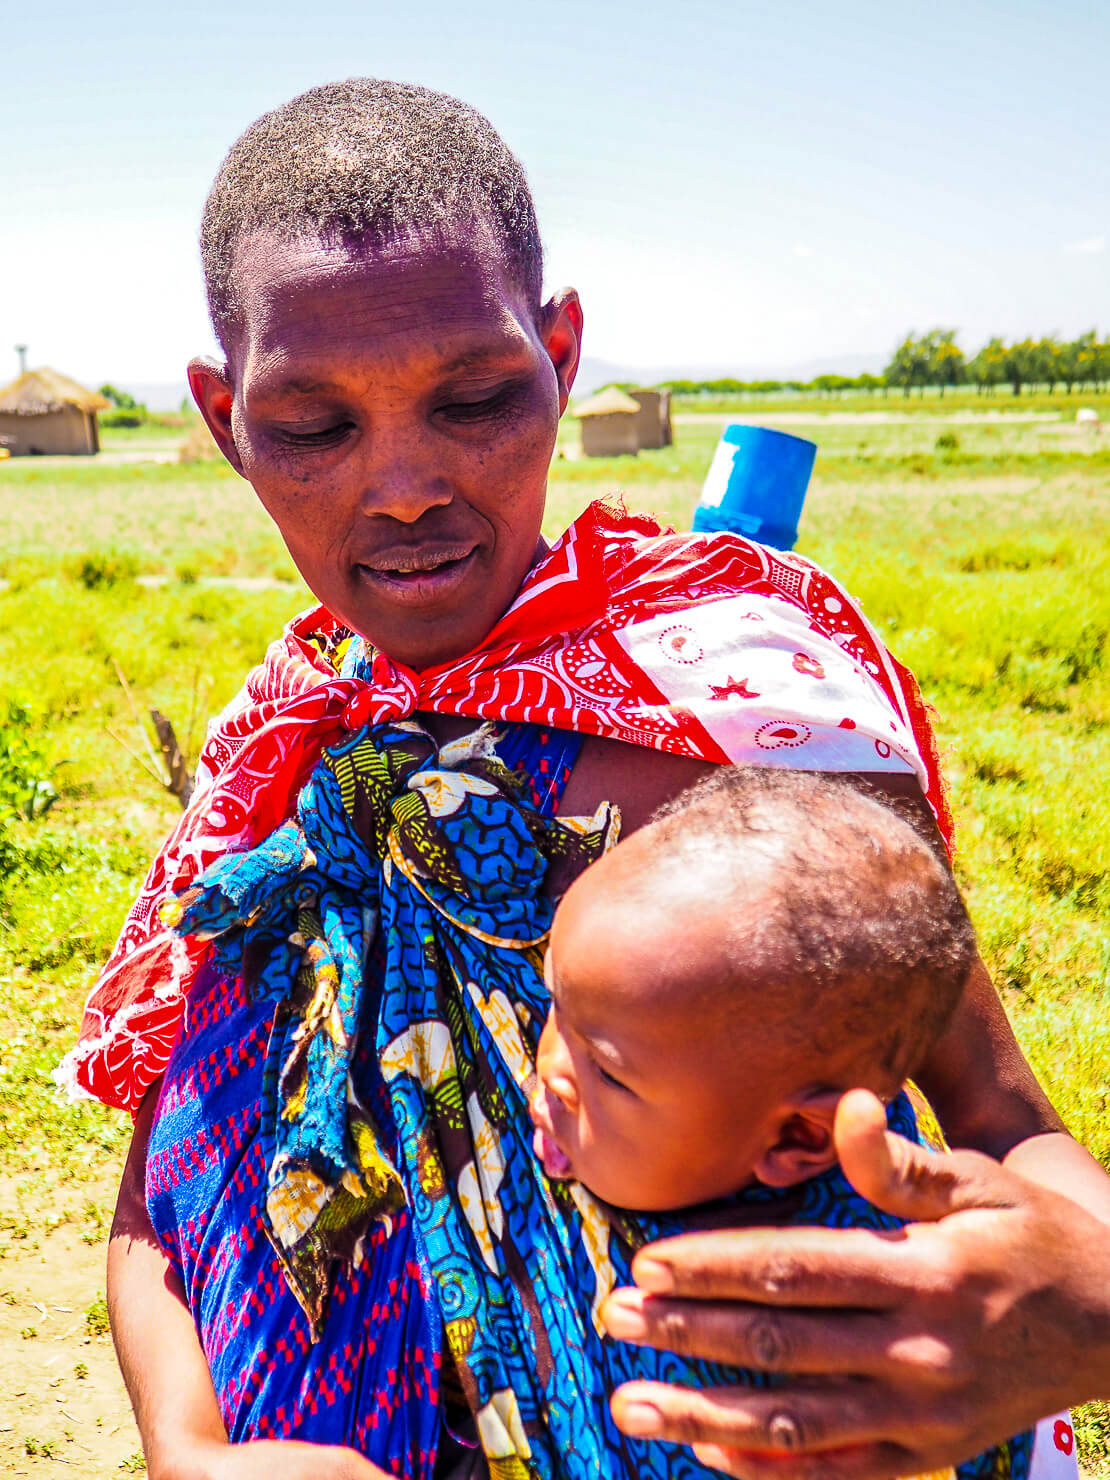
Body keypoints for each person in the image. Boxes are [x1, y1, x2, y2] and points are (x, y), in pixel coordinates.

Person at [58, 78, 1110, 1480]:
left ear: (559, 356)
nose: (407, 485)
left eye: (476, 398)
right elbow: (159, 1186)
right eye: (315, 427)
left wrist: (1082, 1299)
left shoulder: (733, 700)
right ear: (224, 419)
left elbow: (998, 1114)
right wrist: (189, 1443)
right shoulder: (288, 750)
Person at [532, 765, 1077, 1478]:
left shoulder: (841, 1358)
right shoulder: (664, 1142)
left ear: (796, 1139)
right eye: (552, 1004)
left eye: (606, 1072)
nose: (548, 1067)